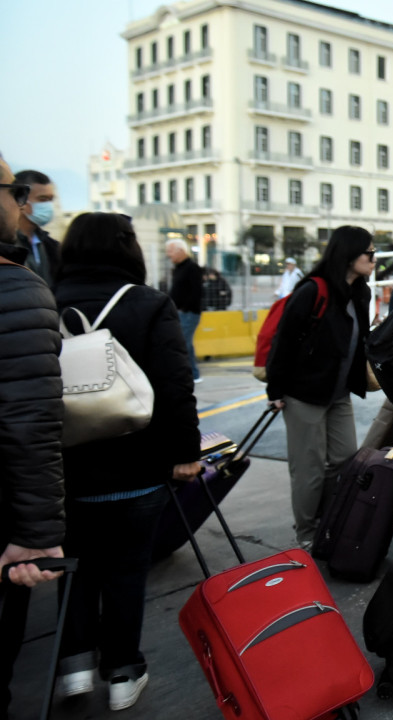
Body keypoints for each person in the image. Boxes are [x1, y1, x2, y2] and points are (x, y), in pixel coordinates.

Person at [53, 212, 202, 711]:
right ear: (125, 246)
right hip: (137, 470)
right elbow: (175, 386)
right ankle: (122, 673)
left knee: (73, 568)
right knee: (125, 572)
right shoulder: (148, 303)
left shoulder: (43, 299)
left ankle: (73, 668)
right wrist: (186, 454)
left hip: (63, 474)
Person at [0, 151, 66, 718]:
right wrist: (37, 534)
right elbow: (29, 420)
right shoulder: (17, 287)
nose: (24, 204)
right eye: (15, 191)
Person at [266, 227, 375, 548]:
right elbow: (283, 342)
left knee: (345, 458)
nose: (374, 259)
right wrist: (275, 391)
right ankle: (307, 532)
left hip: (339, 393)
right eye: (369, 253)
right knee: (308, 470)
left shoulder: (361, 293)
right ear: (349, 255)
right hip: (304, 394)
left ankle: (327, 518)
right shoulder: (313, 290)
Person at [13, 169, 62, 287]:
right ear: (20, 199)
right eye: (42, 199)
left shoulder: (51, 246)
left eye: (50, 199)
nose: (48, 205)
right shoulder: (6, 246)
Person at [165, 239, 203, 382]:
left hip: (188, 313)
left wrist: (184, 308)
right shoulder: (178, 268)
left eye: (170, 251)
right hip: (181, 312)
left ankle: (189, 374)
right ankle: (193, 374)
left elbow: (196, 292)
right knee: (186, 344)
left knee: (183, 344)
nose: (169, 255)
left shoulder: (192, 268)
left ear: (180, 251)